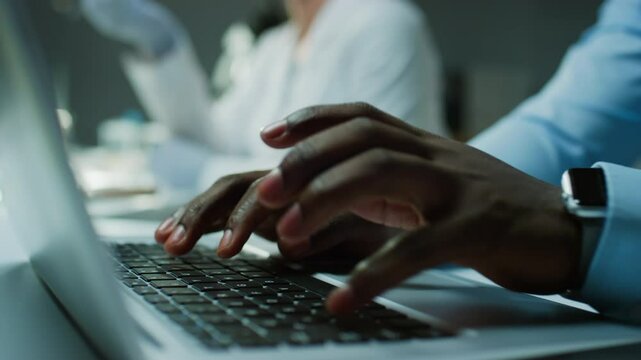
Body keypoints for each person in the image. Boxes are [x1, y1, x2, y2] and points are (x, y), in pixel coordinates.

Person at [154, 0, 641, 322]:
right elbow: (573, 122)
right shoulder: (272, 45)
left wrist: (591, 232)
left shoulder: (381, 19)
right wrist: (414, 213)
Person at [81, 0, 447, 190]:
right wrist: (160, 43)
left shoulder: (385, 23)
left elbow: (371, 179)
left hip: (372, 270)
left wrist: (206, 171)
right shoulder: (275, 46)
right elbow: (214, 135)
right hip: (282, 251)